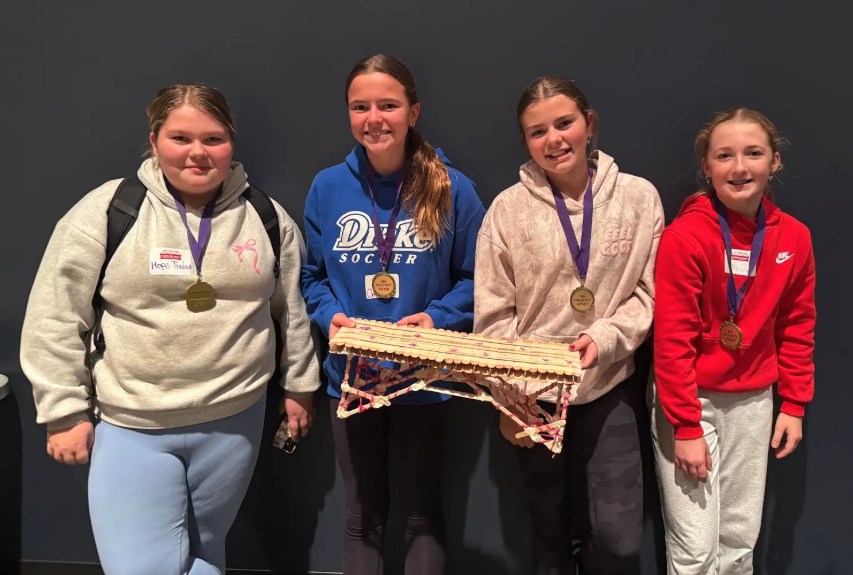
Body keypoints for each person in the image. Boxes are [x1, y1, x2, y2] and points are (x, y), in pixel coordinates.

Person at [20, 84, 320, 575]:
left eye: (214, 138)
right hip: (134, 424)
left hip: (234, 420)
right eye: (181, 137)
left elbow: (291, 311)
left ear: (232, 143)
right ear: (155, 139)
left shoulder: (266, 219)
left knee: (205, 556)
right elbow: (54, 314)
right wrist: (62, 409)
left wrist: (300, 385)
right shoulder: (108, 211)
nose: (198, 153)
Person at [301, 54, 485, 575]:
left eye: (388, 105)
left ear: (414, 111)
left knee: (422, 516)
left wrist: (438, 316)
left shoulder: (453, 187)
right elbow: (310, 276)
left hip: (423, 378)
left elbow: (481, 279)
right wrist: (329, 315)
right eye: (360, 107)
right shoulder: (327, 187)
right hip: (352, 377)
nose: (373, 118)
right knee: (362, 517)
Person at [474, 76, 664, 575]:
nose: (554, 140)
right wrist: (509, 396)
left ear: (589, 124)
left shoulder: (639, 198)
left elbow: (648, 293)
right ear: (525, 142)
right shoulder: (506, 210)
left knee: (621, 542)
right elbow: (493, 316)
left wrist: (603, 339)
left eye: (564, 123)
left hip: (609, 384)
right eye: (538, 132)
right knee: (548, 533)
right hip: (533, 394)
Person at [650, 107, 815, 575]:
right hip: (691, 400)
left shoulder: (796, 239)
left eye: (753, 153)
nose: (739, 167)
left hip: (754, 402)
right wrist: (684, 425)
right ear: (706, 166)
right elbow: (673, 337)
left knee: (740, 541)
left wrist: (795, 404)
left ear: (774, 161)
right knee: (696, 549)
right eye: (724, 155)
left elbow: (798, 326)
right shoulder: (687, 236)